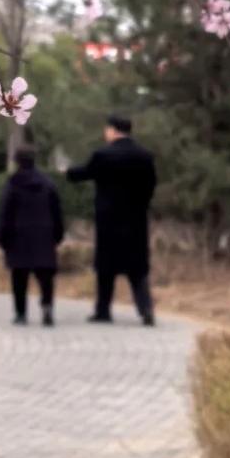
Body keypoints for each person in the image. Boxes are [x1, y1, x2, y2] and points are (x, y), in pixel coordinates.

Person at [67, 114, 158, 326]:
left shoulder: (103, 154)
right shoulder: (144, 156)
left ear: (112, 130)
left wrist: (68, 171)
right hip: (136, 218)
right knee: (137, 268)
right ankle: (146, 309)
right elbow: (151, 185)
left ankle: (103, 310)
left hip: (109, 219)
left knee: (106, 267)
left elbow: (85, 173)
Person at [0, 146, 64, 326]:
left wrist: (2, 238)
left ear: (16, 161)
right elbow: (57, 212)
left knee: (19, 276)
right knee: (45, 276)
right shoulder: (48, 184)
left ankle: (21, 313)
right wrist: (57, 235)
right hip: (44, 235)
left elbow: (5, 213)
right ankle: (47, 307)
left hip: (18, 236)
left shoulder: (12, 184)